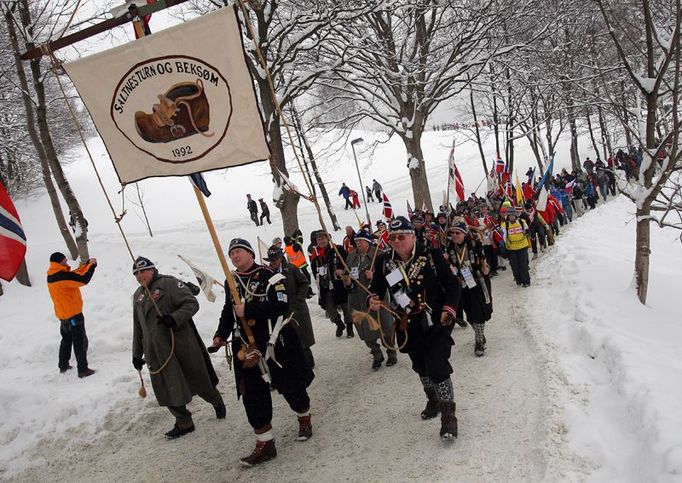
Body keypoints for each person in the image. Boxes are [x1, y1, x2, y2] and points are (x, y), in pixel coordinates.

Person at [213, 239, 314, 466]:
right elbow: (229, 312)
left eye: (238, 252)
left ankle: (304, 417)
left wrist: (248, 309)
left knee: (291, 386)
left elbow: (281, 305)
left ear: (250, 254)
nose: (235, 257)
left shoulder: (272, 276)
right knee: (253, 395)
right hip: (247, 349)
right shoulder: (233, 282)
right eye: (231, 254)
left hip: (275, 342)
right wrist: (221, 334)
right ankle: (265, 443)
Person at [369, 217, 461, 440]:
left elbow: (452, 285)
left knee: (437, 364)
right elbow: (377, 289)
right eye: (392, 237)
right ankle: (433, 399)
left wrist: (449, 309)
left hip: (435, 320)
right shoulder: (384, 261)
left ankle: (449, 417)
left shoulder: (430, 255)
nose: (396, 241)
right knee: (420, 365)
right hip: (407, 324)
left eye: (401, 236)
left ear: (412, 236)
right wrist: (374, 299)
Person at [131, 256, 225, 439]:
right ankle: (184, 422)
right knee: (166, 387)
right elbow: (138, 326)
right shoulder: (138, 296)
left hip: (179, 344)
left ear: (152, 270)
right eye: (136, 273)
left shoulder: (169, 284)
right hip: (156, 351)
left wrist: (174, 318)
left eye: (143, 271)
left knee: (197, 379)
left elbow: (192, 303)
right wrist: (136, 354)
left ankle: (216, 400)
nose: (140, 276)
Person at [344, 231, 397, 370]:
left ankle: (391, 351)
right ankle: (376, 354)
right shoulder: (351, 257)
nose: (358, 244)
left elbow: (394, 277)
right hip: (357, 299)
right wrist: (347, 280)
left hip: (376, 297)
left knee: (386, 325)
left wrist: (375, 276)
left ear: (368, 242)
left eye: (361, 241)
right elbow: (346, 274)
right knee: (365, 330)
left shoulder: (379, 255)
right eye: (356, 241)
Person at [444, 222, 493, 357]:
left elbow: (483, 258)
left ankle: (479, 341)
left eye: (457, 233)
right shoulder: (450, 247)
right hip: (462, 284)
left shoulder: (473, 244)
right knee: (470, 314)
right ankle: (480, 334)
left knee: (479, 312)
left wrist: (485, 267)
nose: (454, 235)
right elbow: (449, 263)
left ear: (464, 234)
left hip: (477, 282)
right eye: (452, 233)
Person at [265, 245, 316, 368]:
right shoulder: (268, 274)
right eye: (271, 261)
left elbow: (304, 283)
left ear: (281, 257)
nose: (273, 263)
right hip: (281, 312)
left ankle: (309, 359)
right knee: (287, 338)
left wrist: (299, 300)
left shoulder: (292, 269)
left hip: (297, 309)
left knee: (302, 336)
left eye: (275, 260)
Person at [47, 252, 97, 378]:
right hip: (73, 315)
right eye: (64, 261)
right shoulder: (61, 276)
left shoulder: (52, 274)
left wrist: (85, 265)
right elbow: (83, 279)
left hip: (63, 315)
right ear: (58, 263)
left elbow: (73, 274)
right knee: (79, 341)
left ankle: (63, 365)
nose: (66, 263)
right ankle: (83, 369)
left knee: (66, 340)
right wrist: (91, 266)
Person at [310, 231, 353, 338]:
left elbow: (348, 262)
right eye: (319, 239)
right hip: (325, 285)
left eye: (323, 238)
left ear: (328, 239)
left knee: (346, 306)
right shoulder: (315, 254)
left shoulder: (337, 249)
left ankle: (349, 326)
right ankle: (339, 324)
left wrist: (342, 271)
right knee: (329, 307)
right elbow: (314, 270)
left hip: (339, 284)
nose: (321, 241)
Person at [502, 207, 531, 287]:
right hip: (511, 249)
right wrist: (504, 247)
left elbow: (528, 230)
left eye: (513, 215)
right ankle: (518, 280)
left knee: (523, 265)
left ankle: (526, 281)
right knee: (515, 266)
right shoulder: (505, 225)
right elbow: (503, 237)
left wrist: (528, 233)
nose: (511, 217)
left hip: (522, 246)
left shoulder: (522, 221)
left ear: (515, 215)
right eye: (510, 215)